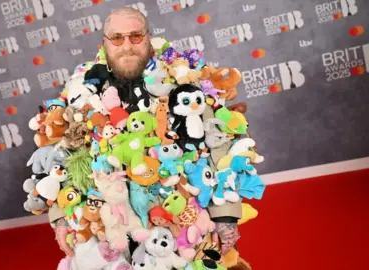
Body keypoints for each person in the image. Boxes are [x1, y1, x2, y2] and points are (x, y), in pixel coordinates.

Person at [50, 7, 242, 258]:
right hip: (114, 226)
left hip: (180, 221)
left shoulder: (181, 78)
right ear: (105, 43)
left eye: (136, 36)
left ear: (149, 39)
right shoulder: (83, 85)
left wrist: (226, 216)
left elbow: (220, 146)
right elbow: (64, 152)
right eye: (117, 38)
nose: (126, 45)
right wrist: (61, 217)